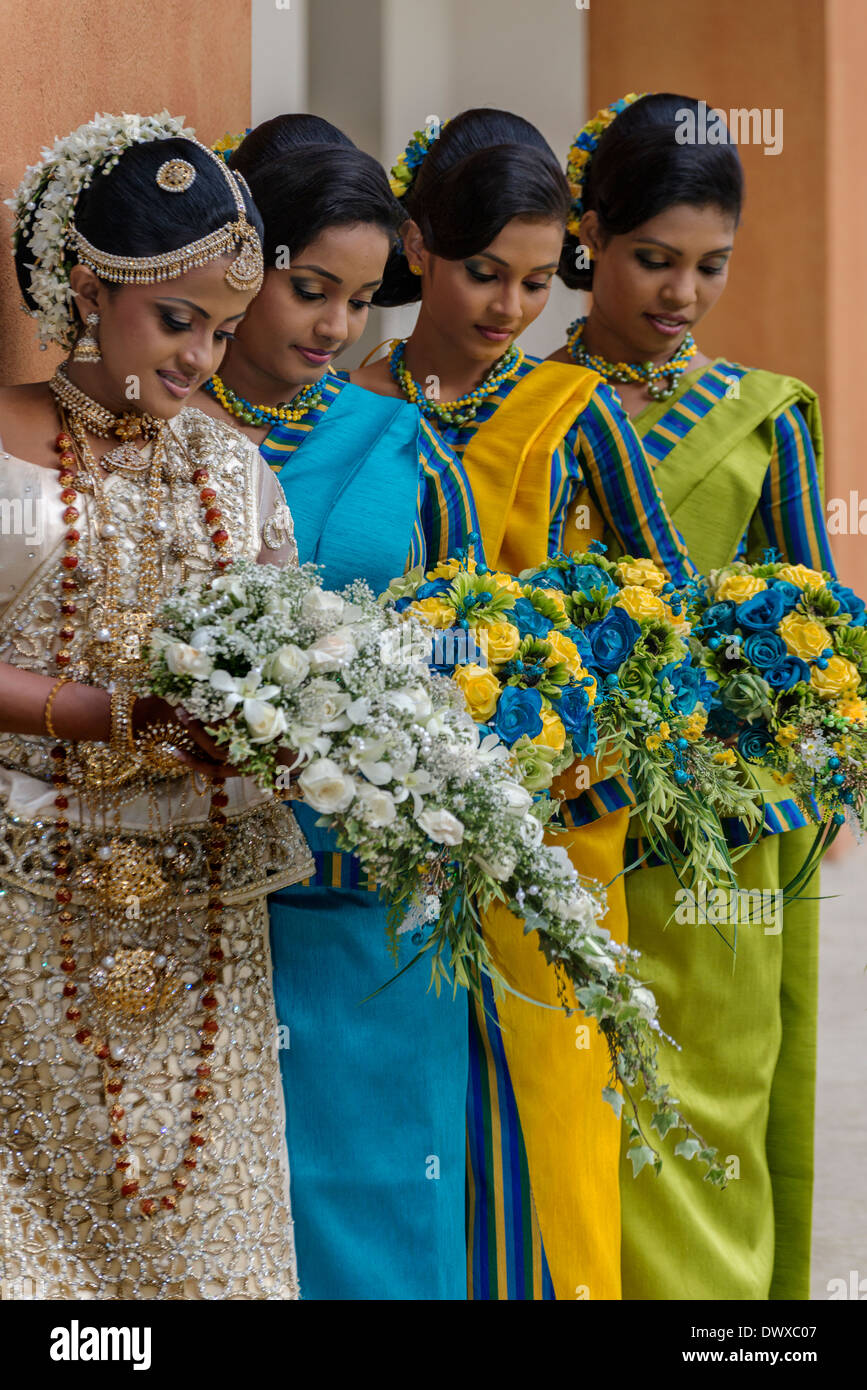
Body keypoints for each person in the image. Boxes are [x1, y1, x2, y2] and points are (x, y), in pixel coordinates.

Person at [351, 107, 695, 1300]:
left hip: (547, 826)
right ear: (418, 246)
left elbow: (663, 613)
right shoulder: (355, 403)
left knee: (545, 1125)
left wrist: (585, 745)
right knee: (409, 1117)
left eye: (540, 282)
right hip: (387, 825)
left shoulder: (577, 409)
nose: (508, 309)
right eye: (483, 272)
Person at [0, 114, 313, 1299]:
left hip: (204, 924)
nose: (197, 358)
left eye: (223, 332)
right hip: (24, 910)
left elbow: (289, 665)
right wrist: (112, 717)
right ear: (88, 288)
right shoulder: (5, 445)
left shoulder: (238, 470)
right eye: (175, 320)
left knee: (199, 1228)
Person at [548, 92, 836, 1300]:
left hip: (727, 833)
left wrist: (800, 770)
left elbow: (818, 632)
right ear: (592, 238)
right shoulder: (523, 411)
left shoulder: (769, 419)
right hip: (564, 813)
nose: (681, 295)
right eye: (654, 261)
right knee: (579, 1097)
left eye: (711, 267)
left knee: (710, 1092)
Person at [193, 114, 482, 1300]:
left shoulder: (404, 442)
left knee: (385, 1190)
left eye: (362, 302)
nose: (335, 329)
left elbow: (472, 636)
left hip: (376, 891)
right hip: (207, 884)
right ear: (239, 260)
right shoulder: (164, 435)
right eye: (310, 289)